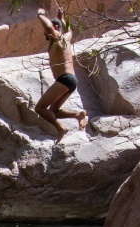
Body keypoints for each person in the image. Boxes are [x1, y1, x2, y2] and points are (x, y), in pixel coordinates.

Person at [34, 5, 88, 143]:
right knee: (54, 111)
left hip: (64, 79)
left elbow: (49, 28)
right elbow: (70, 30)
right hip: (71, 81)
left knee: (40, 108)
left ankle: (60, 129)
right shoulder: (66, 38)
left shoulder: (57, 38)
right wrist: (62, 18)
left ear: (55, 29)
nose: (45, 34)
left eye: (47, 31)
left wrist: (40, 15)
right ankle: (79, 114)